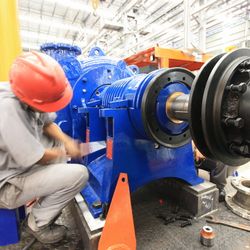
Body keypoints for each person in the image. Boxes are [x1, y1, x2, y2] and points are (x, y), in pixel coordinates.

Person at [0, 51, 89, 244]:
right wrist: (67, 151)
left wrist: (66, 141)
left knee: (56, 142)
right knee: (79, 174)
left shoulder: (25, 91)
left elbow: (48, 123)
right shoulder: (7, 109)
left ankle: (49, 190)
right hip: (6, 184)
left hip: (16, 162)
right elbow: (36, 156)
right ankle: (37, 224)